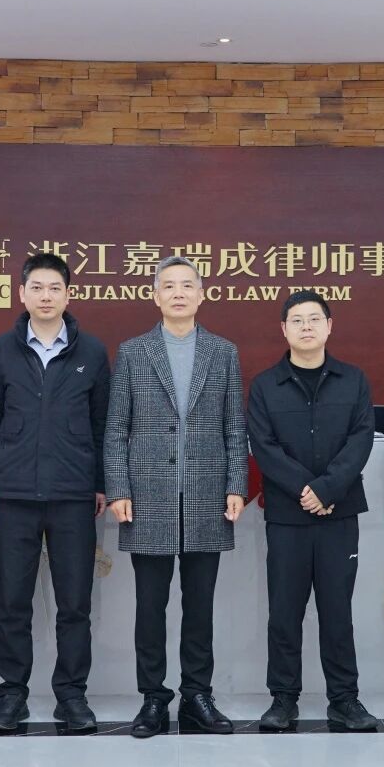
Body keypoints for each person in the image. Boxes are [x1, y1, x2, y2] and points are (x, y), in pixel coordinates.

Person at [104, 256, 247, 738]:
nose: (179, 293)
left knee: (199, 606)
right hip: (147, 496)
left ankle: (197, 696)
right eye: (169, 286)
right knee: (150, 606)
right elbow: (116, 427)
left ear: (202, 295)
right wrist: (119, 488)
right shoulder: (133, 352)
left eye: (188, 285)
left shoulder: (223, 351)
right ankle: (152, 698)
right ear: (156, 296)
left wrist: (236, 484)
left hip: (207, 494)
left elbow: (234, 425)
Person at [0, 253, 110, 732]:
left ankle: (71, 696)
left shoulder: (92, 351)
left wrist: (101, 483)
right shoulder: (1, 351)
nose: (46, 296)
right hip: (14, 495)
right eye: (37, 287)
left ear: (68, 295)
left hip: (73, 495)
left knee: (74, 605)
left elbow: (103, 424)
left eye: (55, 288)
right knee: (13, 603)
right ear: (22, 294)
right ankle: (12, 696)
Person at [247, 290, 378, 731]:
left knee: (337, 609)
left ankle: (344, 699)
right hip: (288, 516)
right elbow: (264, 447)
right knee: (285, 611)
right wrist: (306, 490)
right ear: (284, 330)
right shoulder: (265, 385)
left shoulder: (353, 380)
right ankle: (283, 699)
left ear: (329, 326)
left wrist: (326, 489)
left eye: (314, 319)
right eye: (297, 320)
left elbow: (360, 439)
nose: (306, 326)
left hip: (339, 513)